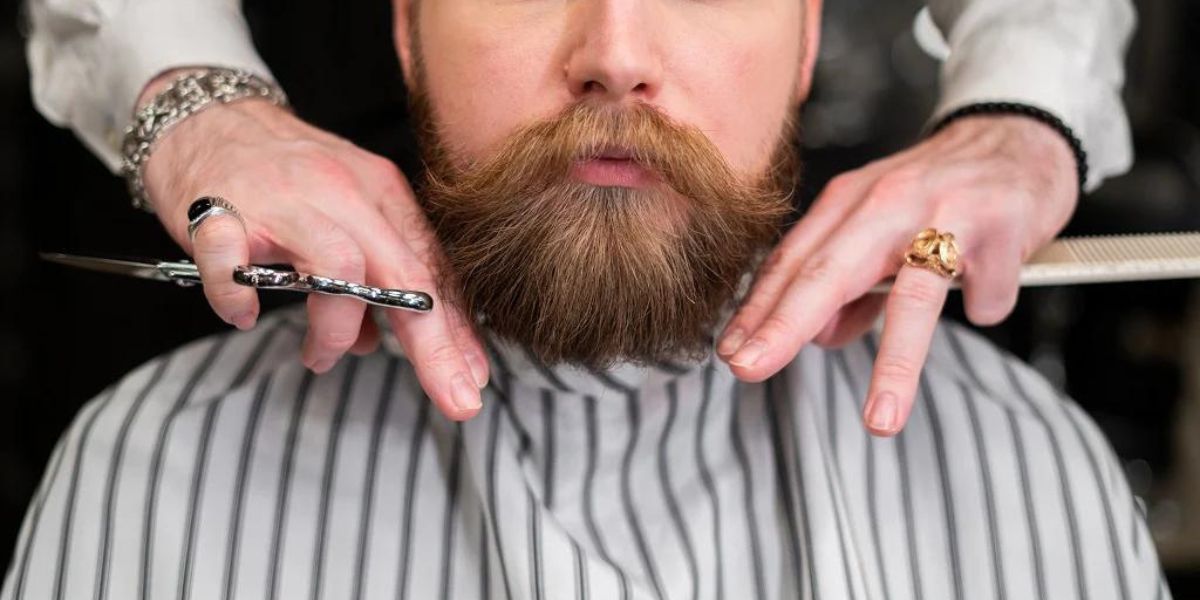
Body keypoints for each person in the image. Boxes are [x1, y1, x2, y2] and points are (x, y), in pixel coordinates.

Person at [6, 0, 1169, 599]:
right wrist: (192, 99)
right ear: (407, 33)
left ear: (808, 40)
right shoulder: (157, 476)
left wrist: (1028, 110)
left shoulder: (1029, 470)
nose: (614, 51)